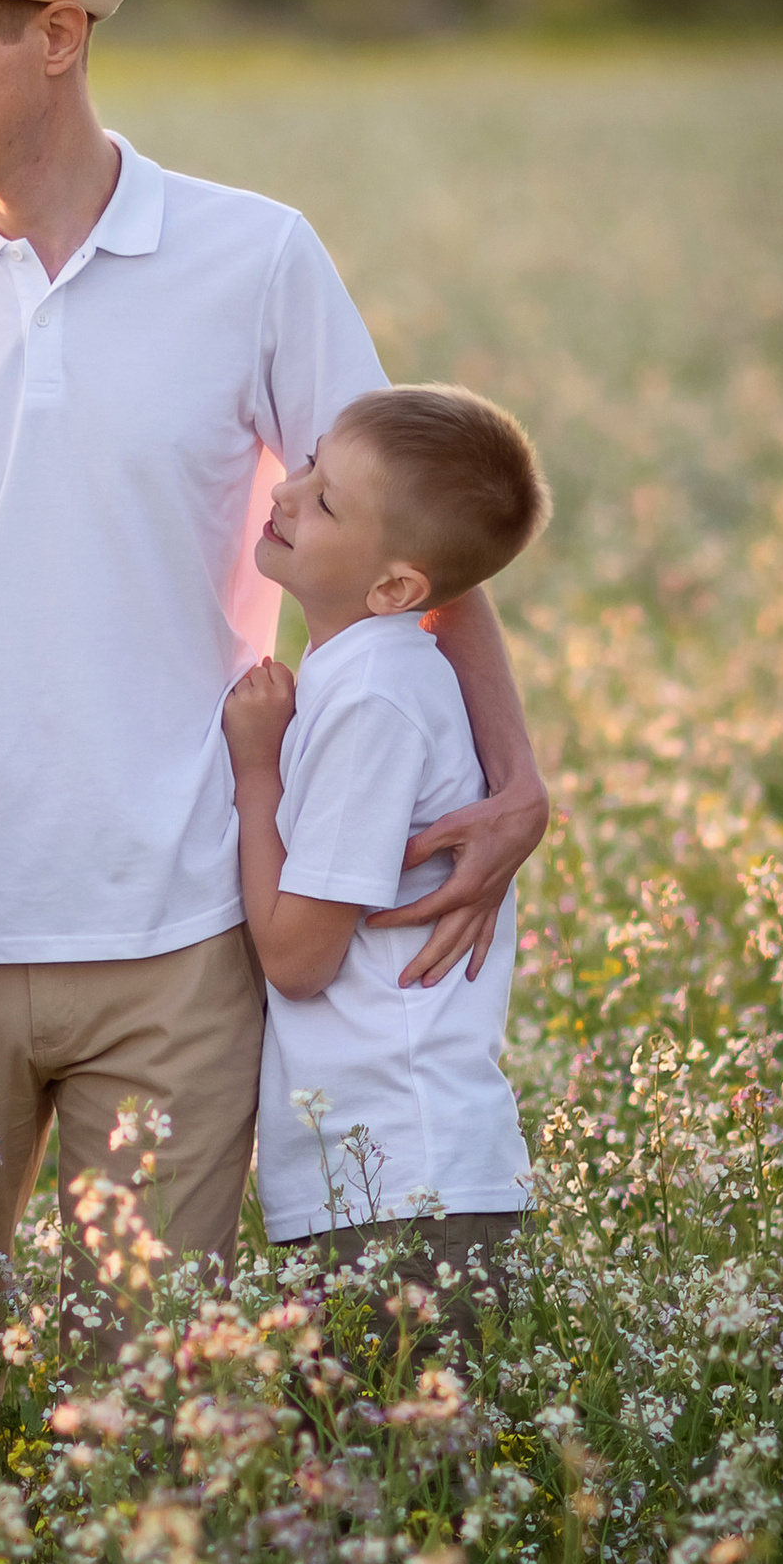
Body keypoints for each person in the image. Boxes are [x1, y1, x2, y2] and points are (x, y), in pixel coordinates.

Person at [0, 0, 547, 1337]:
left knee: (161, 1405)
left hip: (181, 941)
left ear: (57, 35)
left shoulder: (253, 257)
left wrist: (520, 776)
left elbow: (408, 552)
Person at [224, 386, 551, 1304]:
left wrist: (257, 775)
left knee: (390, 1448)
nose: (287, 491)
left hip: (403, 1188)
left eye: (327, 500)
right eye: (313, 461)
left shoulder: (373, 699)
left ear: (397, 588)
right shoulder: (369, 673)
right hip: (398, 1177)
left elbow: (297, 957)